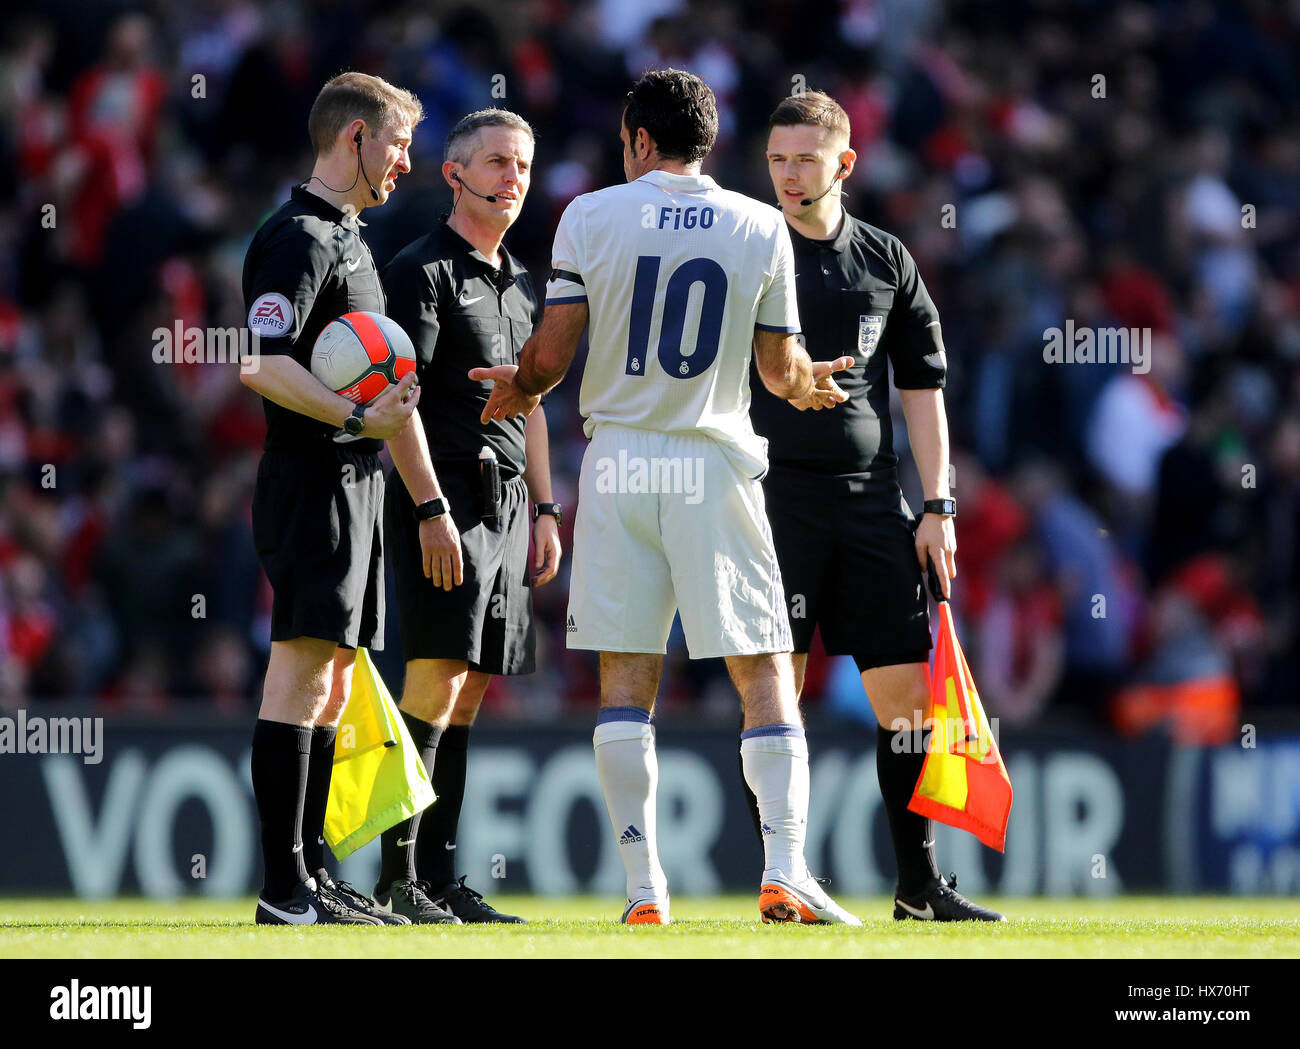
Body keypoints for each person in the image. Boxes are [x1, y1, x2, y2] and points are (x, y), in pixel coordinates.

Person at [473, 69, 859, 925]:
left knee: (624, 680)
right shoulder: (761, 224)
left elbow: (552, 354)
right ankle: (786, 866)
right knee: (762, 666)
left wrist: (521, 386)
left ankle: (644, 886)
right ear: (706, 141)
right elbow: (778, 371)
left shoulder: (588, 215)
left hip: (619, 463)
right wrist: (808, 388)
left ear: (639, 140)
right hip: (709, 459)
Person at [753, 89, 1003, 921]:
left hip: (869, 504)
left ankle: (918, 887)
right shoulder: (751, 248)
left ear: (844, 165)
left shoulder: (887, 259)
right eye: (779, 159)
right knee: (775, 697)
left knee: (907, 705)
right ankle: (783, 873)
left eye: (806, 160)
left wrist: (939, 503)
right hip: (772, 498)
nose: (790, 175)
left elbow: (924, 386)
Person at [241, 71, 432, 925]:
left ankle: (310, 874)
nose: (405, 161)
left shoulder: (349, 237)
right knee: (301, 671)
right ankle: (282, 888)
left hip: (353, 479)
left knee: (331, 678)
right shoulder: (299, 238)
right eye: (396, 142)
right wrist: (357, 411)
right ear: (352, 137)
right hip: (310, 478)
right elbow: (262, 362)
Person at [372, 109, 561, 924]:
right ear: (452, 174)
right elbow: (394, 396)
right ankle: (396, 874)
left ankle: (440, 877)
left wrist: (549, 506)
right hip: (443, 496)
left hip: (511, 504)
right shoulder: (420, 272)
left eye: (520, 164)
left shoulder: (524, 280)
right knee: (434, 678)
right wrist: (429, 507)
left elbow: (538, 400)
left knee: (474, 687)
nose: (511, 177)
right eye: (494, 163)